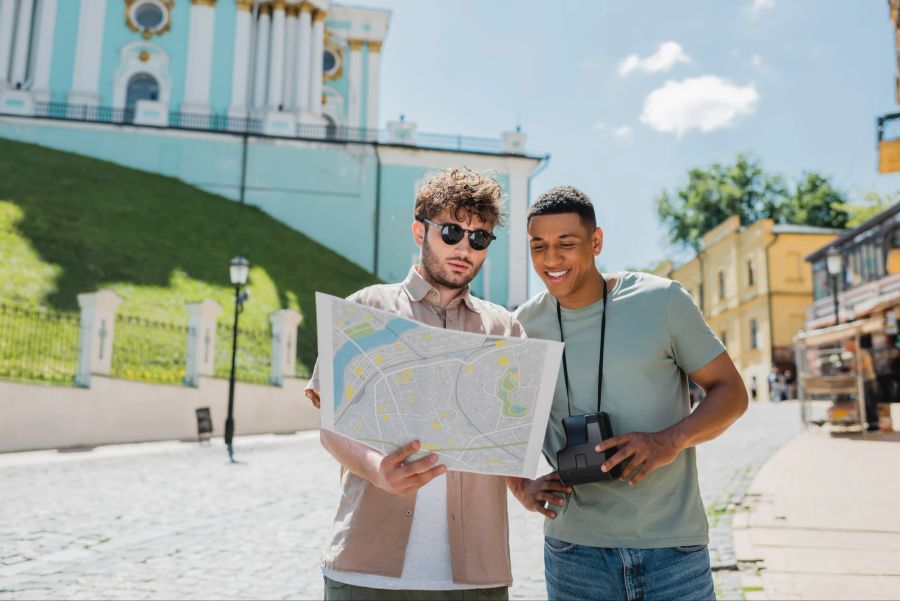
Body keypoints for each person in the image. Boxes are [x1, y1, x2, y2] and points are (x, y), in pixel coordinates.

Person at [507, 186, 748, 601]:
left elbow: (732, 392)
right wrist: (520, 486)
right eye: (538, 246)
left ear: (596, 242)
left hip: (673, 548)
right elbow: (500, 423)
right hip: (574, 555)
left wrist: (669, 441)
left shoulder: (662, 300)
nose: (551, 259)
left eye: (567, 244)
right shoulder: (523, 326)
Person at [304, 168, 524, 600]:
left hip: (477, 579)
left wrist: (528, 487)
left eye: (479, 239)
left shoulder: (506, 327)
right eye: (452, 232)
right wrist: (376, 471)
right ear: (419, 230)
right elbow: (332, 427)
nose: (465, 248)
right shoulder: (366, 309)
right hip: (367, 572)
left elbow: (509, 442)